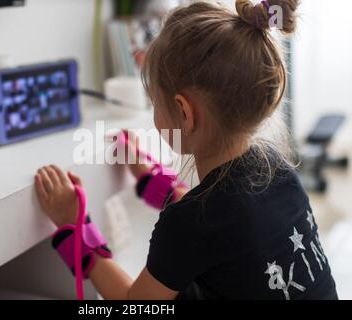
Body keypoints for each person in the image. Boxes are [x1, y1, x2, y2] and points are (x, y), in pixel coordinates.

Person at [35, 0, 338, 300]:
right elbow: (217, 224)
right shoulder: (278, 170)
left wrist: (74, 228)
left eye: (155, 101)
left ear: (184, 112)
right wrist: (146, 175)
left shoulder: (191, 222)